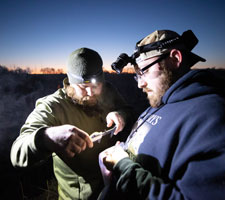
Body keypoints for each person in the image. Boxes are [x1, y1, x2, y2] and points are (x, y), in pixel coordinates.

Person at [99, 30, 225, 200]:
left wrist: (123, 167)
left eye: (144, 72)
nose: (140, 84)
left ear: (175, 59)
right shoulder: (160, 102)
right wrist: (120, 152)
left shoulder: (215, 119)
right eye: (137, 76)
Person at [10, 47, 134, 199]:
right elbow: (17, 153)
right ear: (70, 83)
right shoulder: (52, 106)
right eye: (83, 87)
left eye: (96, 86)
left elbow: (128, 111)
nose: (91, 93)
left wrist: (121, 115)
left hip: (118, 187)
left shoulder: (108, 90)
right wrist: (47, 137)